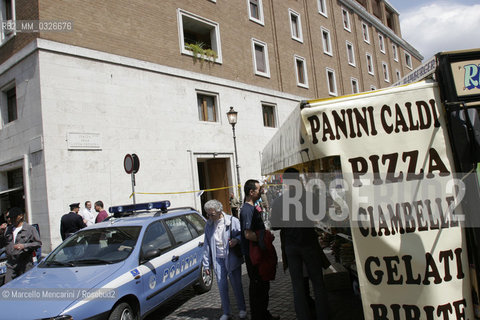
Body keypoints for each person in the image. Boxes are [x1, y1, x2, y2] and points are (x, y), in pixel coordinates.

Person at [271, 167, 329, 320]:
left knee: (297, 285)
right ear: (298, 179)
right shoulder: (310, 197)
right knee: (317, 282)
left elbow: (275, 225)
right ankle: (323, 315)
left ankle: (303, 316)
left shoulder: (279, 201)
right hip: (308, 242)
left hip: (291, 246)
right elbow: (322, 215)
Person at [240, 179, 279, 320]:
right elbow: (248, 234)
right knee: (258, 288)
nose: (261, 192)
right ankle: (259, 316)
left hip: (259, 254)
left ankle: (264, 314)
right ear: (251, 192)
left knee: (263, 286)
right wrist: (266, 238)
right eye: (258, 189)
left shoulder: (253, 207)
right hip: (253, 256)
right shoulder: (246, 210)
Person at [202, 199, 247, 320]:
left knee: (236, 285)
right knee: (222, 286)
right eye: (208, 214)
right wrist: (206, 265)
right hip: (218, 259)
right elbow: (206, 245)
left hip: (231, 257)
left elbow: (242, 235)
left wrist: (236, 240)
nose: (210, 217)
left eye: (212, 214)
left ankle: (242, 309)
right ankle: (226, 312)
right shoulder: (209, 225)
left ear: (219, 211)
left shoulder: (233, 221)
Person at [0, 207, 42, 283]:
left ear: (20, 216)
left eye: (13, 217)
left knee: (25, 286)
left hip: (24, 264)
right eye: (9, 217)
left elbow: (38, 243)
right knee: (8, 286)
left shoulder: (30, 229)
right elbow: (3, 243)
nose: (10, 219)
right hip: (11, 264)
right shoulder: (8, 229)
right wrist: (2, 232)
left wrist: (24, 246)